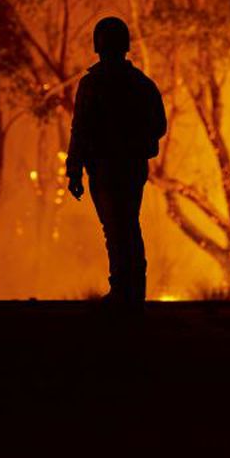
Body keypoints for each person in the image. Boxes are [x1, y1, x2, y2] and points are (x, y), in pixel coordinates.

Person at [66, 17, 166, 310]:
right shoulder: (141, 84)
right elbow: (158, 126)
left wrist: (75, 170)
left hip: (105, 168)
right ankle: (131, 290)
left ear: (97, 45)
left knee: (116, 228)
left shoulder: (92, 84)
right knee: (126, 225)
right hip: (128, 167)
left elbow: (80, 129)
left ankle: (124, 290)